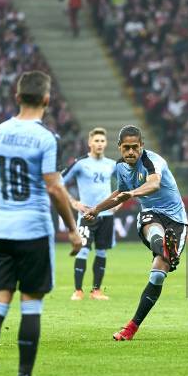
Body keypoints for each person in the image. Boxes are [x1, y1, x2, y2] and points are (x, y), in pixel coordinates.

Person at [0, 71, 82, 376]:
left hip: (2, 229)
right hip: (32, 229)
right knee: (31, 303)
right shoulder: (46, 139)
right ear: (47, 100)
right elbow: (54, 187)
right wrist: (73, 230)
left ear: (17, 97)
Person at [84, 125, 188, 341]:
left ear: (142, 146)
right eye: (126, 148)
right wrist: (97, 209)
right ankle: (168, 249)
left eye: (135, 148)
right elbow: (120, 192)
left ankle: (168, 251)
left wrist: (132, 193)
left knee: (158, 274)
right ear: (119, 147)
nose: (131, 152)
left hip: (176, 219)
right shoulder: (120, 166)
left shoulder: (153, 161)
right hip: (151, 214)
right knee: (152, 226)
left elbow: (154, 184)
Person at [62, 127, 118, 301]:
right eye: (96, 141)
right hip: (87, 215)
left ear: (106, 143)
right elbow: (59, 183)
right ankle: (78, 290)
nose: (100, 144)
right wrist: (74, 202)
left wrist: (120, 202)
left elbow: (126, 184)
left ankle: (96, 291)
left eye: (102, 141)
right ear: (90, 143)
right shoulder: (80, 163)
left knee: (101, 252)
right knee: (83, 251)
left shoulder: (112, 164)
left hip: (106, 215)